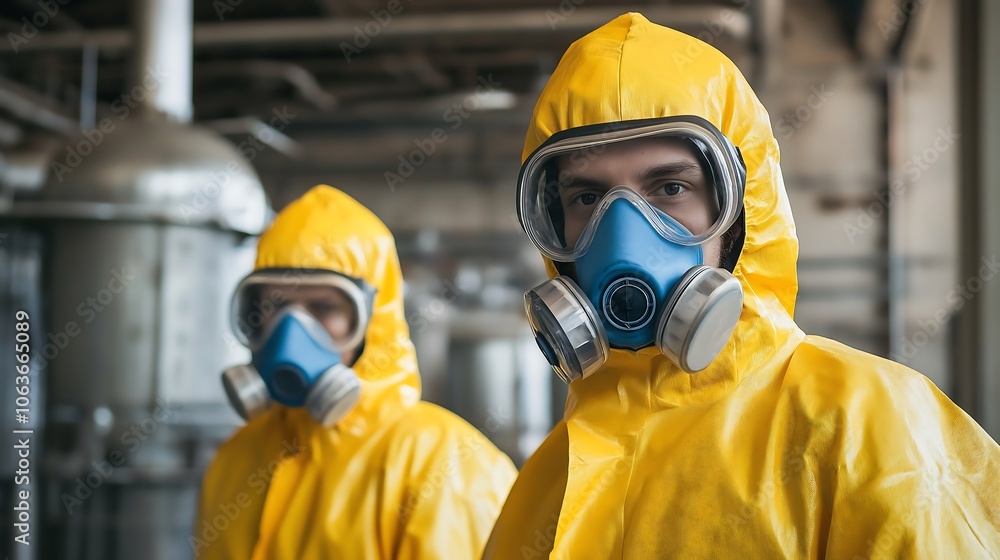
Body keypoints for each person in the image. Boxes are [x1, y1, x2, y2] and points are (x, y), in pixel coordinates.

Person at [485, 13, 1000, 559]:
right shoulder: (545, 485)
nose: (622, 238)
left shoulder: (866, 425)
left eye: (670, 187)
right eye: (587, 198)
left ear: (741, 214)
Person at [194, 185, 517, 559]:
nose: (290, 332)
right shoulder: (235, 459)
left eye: (323, 308)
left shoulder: (445, 464)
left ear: (373, 321)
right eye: (276, 305)